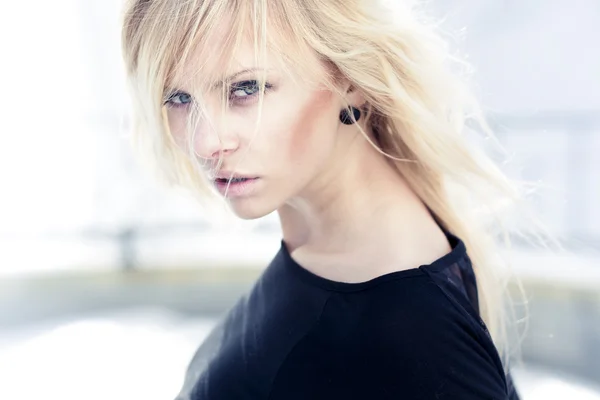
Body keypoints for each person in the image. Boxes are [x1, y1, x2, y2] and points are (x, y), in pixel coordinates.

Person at [121, 0, 523, 398]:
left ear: (350, 79)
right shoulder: (331, 254)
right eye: (178, 98)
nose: (205, 142)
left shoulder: (413, 326)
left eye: (245, 89)